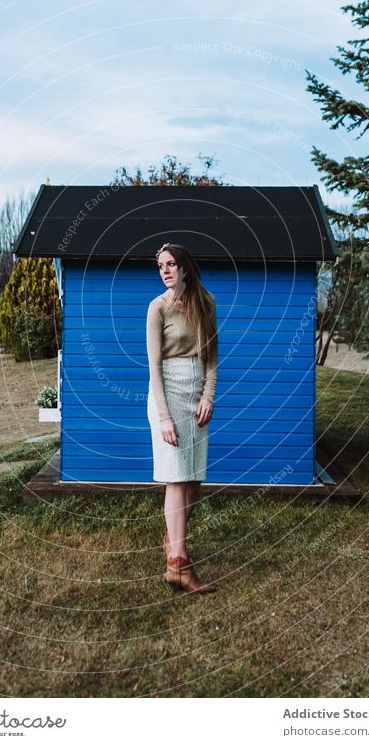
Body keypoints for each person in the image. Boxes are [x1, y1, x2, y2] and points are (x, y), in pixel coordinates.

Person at [146, 242, 219, 594]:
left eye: (171, 264)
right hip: (168, 396)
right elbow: (154, 368)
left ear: (185, 267)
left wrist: (208, 395)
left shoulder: (207, 302)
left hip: (196, 396)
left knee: (193, 478)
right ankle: (179, 563)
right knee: (176, 476)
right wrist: (164, 417)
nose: (165, 270)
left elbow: (213, 358)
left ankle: (171, 537)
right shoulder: (156, 308)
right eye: (160, 265)